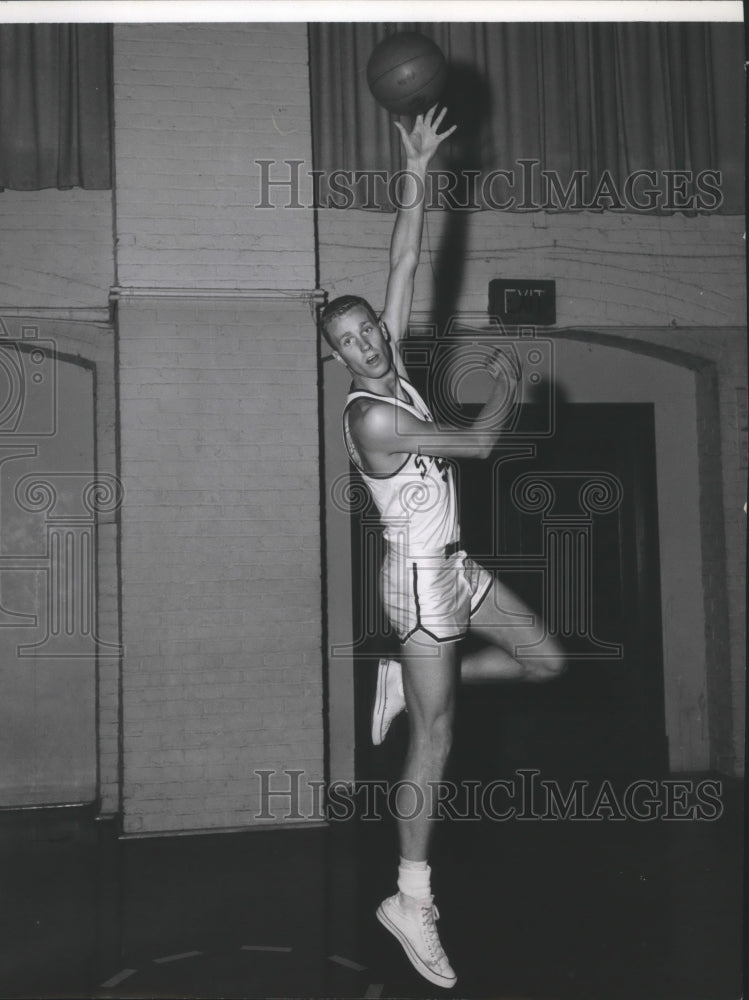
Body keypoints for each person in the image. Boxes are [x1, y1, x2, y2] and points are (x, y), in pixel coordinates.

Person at [320, 106, 566, 990]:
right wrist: (505, 388)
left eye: (368, 331)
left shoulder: (396, 364)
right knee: (436, 741)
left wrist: (418, 166)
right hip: (420, 585)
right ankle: (410, 900)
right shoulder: (375, 415)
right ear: (340, 361)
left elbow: (402, 259)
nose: (365, 342)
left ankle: (402, 678)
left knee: (543, 661)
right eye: (346, 342)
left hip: (454, 565)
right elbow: (480, 446)